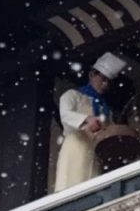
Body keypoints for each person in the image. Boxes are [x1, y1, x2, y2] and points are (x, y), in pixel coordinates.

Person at [54, 52, 126, 192]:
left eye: (108, 82)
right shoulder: (73, 95)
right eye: (103, 79)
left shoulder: (106, 110)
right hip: (76, 147)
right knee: (72, 184)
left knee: (92, 186)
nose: (105, 84)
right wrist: (86, 120)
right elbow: (65, 115)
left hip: (96, 153)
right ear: (92, 74)